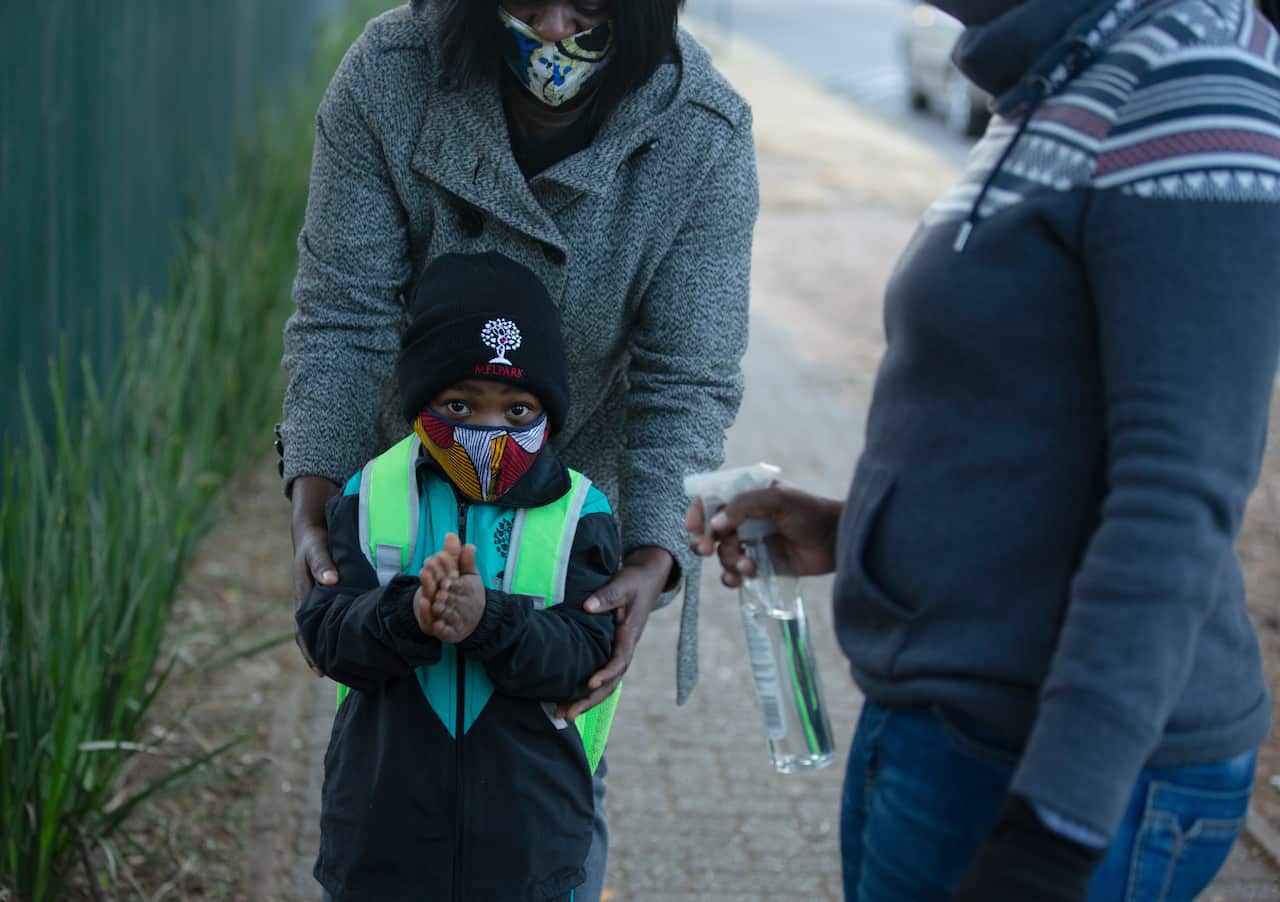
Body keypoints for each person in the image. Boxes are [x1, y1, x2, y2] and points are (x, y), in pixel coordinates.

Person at [690, 0, 1280, 899]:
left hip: (1057, 770)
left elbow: (1176, 496)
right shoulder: (1057, 79)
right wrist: (853, 535)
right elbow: (1034, 434)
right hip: (947, 734)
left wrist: (1052, 832)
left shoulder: (1188, 78)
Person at [278, 2, 758, 896]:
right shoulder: (392, 73)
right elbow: (345, 315)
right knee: (392, 768)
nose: (551, 26)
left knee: (545, 784)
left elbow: (686, 376)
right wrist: (314, 500)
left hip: (568, 537)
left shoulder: (705, 136)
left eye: (588, 4)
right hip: (405, 515)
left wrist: (652, 552)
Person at [296, 253, 622, 901]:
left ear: (549, 410)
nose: (489, 432)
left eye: (518, 410)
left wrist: (489, 621)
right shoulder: (371, 494)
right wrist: (407, 614)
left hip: (528, 853)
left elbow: (588, 654)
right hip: (383, 847)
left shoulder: (580, 510)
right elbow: (325, 633)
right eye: (459, 405)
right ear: (420, 403)